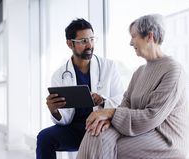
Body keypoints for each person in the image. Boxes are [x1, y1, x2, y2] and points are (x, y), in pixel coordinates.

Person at [76, 14, 189, 159]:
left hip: (166, 138)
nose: (130, 42)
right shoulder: (139, 72)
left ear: (149, 36)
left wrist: (110, 114)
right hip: (142, 131)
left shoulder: (173, 70)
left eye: (134, 36)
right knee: (95, 132)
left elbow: (152, 116)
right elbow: (126, 104)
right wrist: (107, 120)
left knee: (107, 146)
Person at [36, 18, 124, 159]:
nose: (89, 45)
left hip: (101, 125)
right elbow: (64, 120)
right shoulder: (59, 75)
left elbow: (122, 100)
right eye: (83, 41)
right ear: (70, 44)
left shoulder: (109, 67)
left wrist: (103, 100)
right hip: (75, 129)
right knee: (44, 138)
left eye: (92, 39)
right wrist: (54, 111)